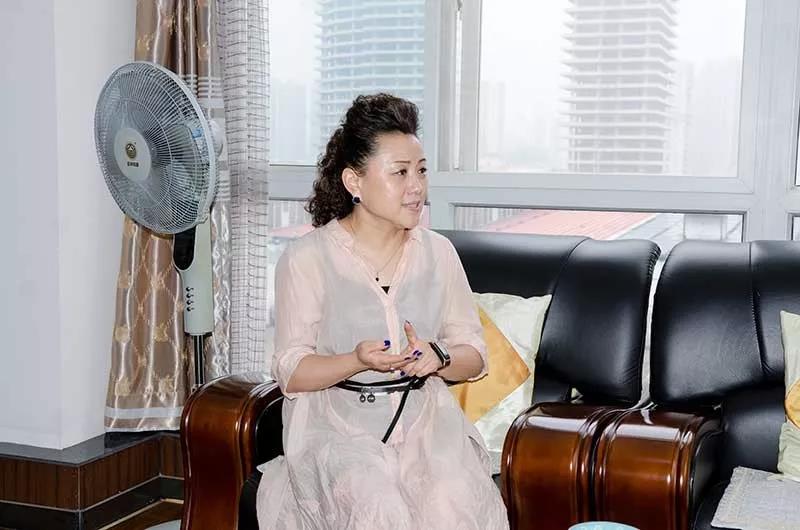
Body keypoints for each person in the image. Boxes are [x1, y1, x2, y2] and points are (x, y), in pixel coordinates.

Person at [256, 93, 509, 530]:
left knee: (451, 500)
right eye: (400, 172)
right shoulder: (307, 259)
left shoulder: (439, 253)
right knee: (378, 504)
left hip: (426, 426)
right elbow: (291, 371)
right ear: (354, 182)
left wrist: (439, 357)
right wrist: (355, 360)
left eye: (422, 170)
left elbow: (475, 354)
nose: (417, 187)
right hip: (337, 428)